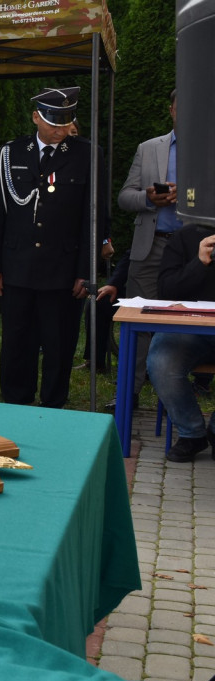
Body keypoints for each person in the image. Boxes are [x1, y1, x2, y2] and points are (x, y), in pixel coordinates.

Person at [0, 87, 93, 409]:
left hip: (62, 266)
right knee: (17, 340)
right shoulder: (12, 153)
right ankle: (16, 399)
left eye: (66, 121)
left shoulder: (86, 153)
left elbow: (93, 217)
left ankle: (53, 401)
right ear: (36, 117)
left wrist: (85, 271)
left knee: (59, 342)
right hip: (17, 263)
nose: (59, 128)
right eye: (53, 121)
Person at [115, 89, 180, 409]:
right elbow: (124, 197)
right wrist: (148, 199)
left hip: (196, 253)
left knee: (188, 325)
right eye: (182, 108)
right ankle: (129, 393)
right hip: (151, 246)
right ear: (171, 110)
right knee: (138, 322)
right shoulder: (149, 148)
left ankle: (178, 398)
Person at [146, 224, 215, 462]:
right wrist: (199, 262)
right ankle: (192, 433)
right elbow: (167, 290)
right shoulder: (185, 236)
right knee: (161, 361)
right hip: (189, 330)